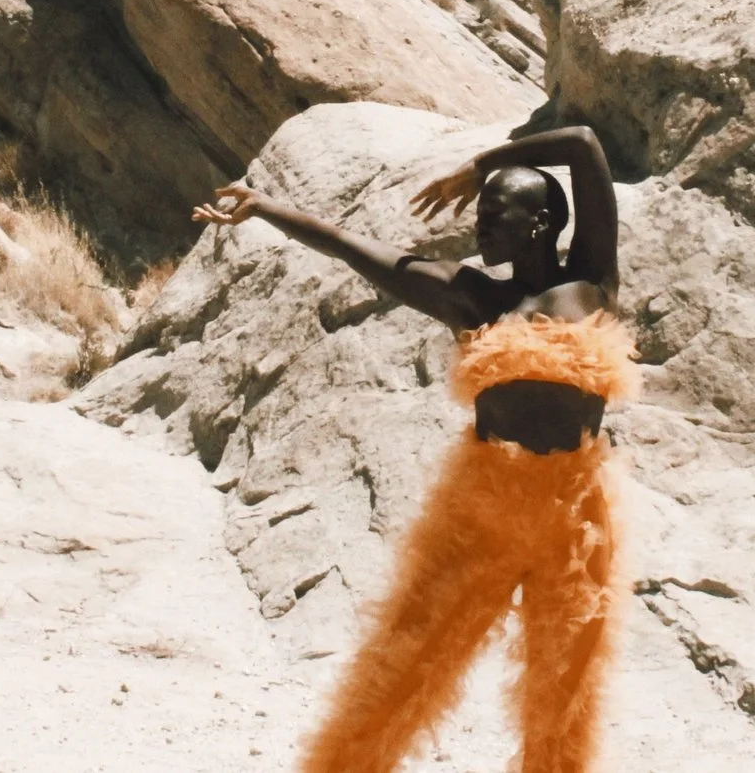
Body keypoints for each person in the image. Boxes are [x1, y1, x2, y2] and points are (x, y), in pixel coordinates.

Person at [192, 126, 633, 773]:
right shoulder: (471, 295)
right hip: (480, 510)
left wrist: (480, 165)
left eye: (493, 212)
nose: (479, 225)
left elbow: (586, 146)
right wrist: (265, 208)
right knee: (400, 672)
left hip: (574, 522)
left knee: (563, 707)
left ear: (540, 221)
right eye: (479, 212)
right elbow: (353, 249)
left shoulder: (590, 279)